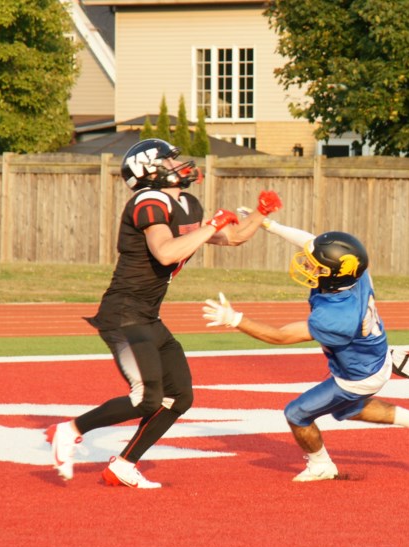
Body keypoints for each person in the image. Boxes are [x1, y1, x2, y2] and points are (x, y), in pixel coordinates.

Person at [46, 138, 282, 488]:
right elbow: (166, 253)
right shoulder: (148, 201)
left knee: (179, 396)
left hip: (147, 316)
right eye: (169, 161)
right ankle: (69, 430)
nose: (178, 164)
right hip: (123, 314)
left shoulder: (185, 203)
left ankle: (124, 464)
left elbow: (231, 238)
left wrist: (261, 213)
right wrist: (213, 225)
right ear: (150, 170)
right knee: (146, 398)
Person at [202, 220, 409, 481]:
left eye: (314, 265)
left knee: (297, 413)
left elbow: (281, 336)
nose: (307, 265)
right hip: (374, 357)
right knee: (347, 409)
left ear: (334, 273)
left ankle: (321, 465)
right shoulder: (356, 274)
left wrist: (235, 319)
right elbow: (311, 240)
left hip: (358, 375)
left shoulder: (336, 316)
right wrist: (270, 225)